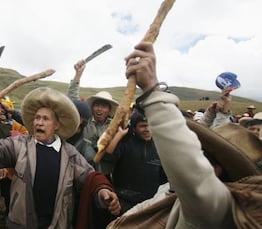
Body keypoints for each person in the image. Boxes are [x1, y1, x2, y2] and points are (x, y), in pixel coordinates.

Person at [107, 41, 262, 228]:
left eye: (207, 161)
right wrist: (216, 114)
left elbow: (190, 163)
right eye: (202, 157)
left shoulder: (214, 211)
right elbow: (201, 140)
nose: (200, 161)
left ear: (219, 172)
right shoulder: (170, 193)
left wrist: (152, 92)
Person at [0, 87, 121, 228]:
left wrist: (102, 191)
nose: (39, 122)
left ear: (56, 125)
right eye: (37, 118)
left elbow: (89, 177)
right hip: (21, 223)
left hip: (57, 224)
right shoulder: (19, 145)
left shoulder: (70, 154)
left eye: (45, 119)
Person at [105, 111, 167, 213]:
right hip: (125, 201)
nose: (147, 129)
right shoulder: (126, 143)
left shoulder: (159, 145)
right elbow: (108, 156)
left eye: (150, 125)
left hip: (151, 202)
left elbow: (164, 177)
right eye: (142, 126)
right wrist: (119, 135)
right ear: (134, 128)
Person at [67, 60, 119, 176]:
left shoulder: (115, 127)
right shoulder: (85, 121)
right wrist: (78, 75)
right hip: (77, 168)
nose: (99, 109)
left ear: (109, 110)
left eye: (104, 106)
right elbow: (72, 100)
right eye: (97, 105)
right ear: (92, 107)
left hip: (104, 173)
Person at [0, 98, 29, 218]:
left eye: (5, 109)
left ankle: (9, 218)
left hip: (11, 169)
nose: (2, 111)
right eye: (0, 109)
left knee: (9, 196)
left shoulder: (17, 126)